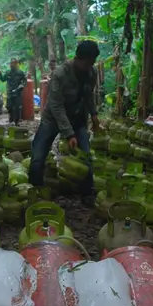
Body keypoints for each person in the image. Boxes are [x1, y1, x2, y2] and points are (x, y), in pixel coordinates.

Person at [28, 40, 101, 195]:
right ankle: (35, 192)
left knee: (86, 158)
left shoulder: (91, 72)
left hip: (77, 118)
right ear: (78, 58)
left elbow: (89, 96)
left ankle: (88, 193)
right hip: (53, 119)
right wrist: (69, 134)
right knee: (38, 156)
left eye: (92, 62)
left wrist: (94, 115)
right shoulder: (60, 74)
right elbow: (56, 107)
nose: (90, 66)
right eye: (88, 62)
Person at [0, 58, 27, 125]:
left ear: (16, 64)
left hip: (18, 93)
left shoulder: (20, 73)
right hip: (10, 93)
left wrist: (21, 85)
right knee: (9, 106)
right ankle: (11, 119)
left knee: (17, 108)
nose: (12, 65)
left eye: (14, 63)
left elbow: (24, 81)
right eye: (11, 64)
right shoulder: (8, 72)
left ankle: (16, 122)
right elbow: (2, 79)